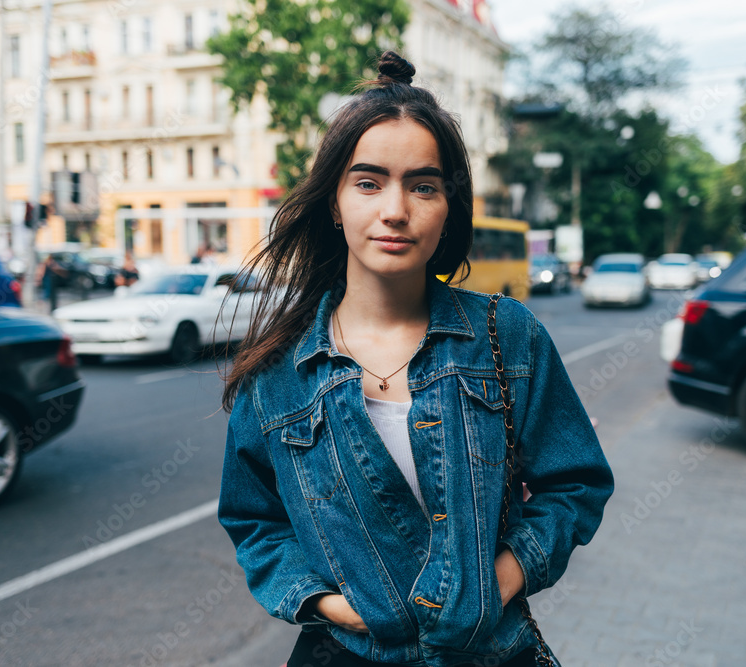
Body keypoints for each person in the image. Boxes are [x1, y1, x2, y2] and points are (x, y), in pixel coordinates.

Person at [217, 52, 613, 667]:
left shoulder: (507, 336)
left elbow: (576, 483)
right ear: (334, 201)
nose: (395, 210)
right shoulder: (277, 371)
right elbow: (254, 519)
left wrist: (501, 580)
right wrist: (328, 605)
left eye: (423, 186)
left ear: (448, 204)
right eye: (368, 182)